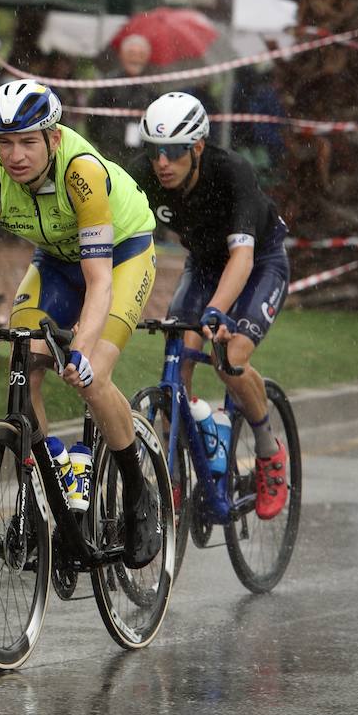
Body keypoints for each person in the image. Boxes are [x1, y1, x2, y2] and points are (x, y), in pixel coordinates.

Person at [0, 79, 162, 569]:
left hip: (120, 258)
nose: (15, 155)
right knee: (22, 362)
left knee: (94, 374)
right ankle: (53, 480)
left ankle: (139, 495)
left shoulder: (82, 174)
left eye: (28, 141)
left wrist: (81, 351)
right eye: (4, 142)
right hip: (54, 261)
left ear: (53, 137)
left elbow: (99, 283)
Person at [129, 91, 291, 519]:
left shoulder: (231, 172)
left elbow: (242, 258)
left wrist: (217, 311)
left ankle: (268, 452)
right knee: (176, 362)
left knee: (229, 358)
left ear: (197, 147)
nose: (162, 162)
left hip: (258, 264)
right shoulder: (144, 176)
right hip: (202, 265)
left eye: (175, 152)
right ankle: (176, 473)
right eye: (154, 151)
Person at [87, 34, 159, 158]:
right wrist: (103, 138)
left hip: (141, 152)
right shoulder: (108, 83)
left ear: (147, 57)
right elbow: (93, 116)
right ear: (121, 55)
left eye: (141, 54)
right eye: (131, 53)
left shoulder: (152, 87)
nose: (135, 58)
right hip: (110, 149)